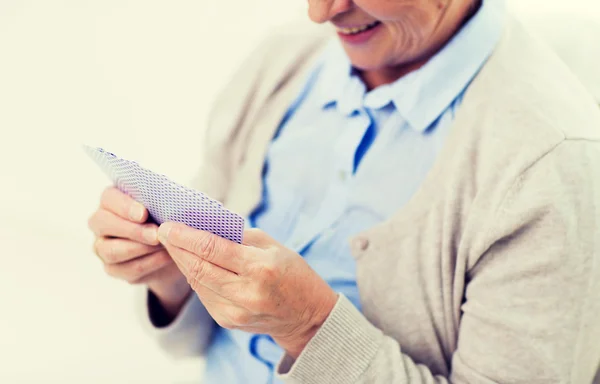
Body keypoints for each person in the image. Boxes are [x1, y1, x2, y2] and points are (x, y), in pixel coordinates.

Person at [87, 0, 600, 382]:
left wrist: (309, 327)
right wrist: (173, 279)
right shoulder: (284, 63)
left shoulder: (552, 165)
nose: (321, 12)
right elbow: (198, 339)